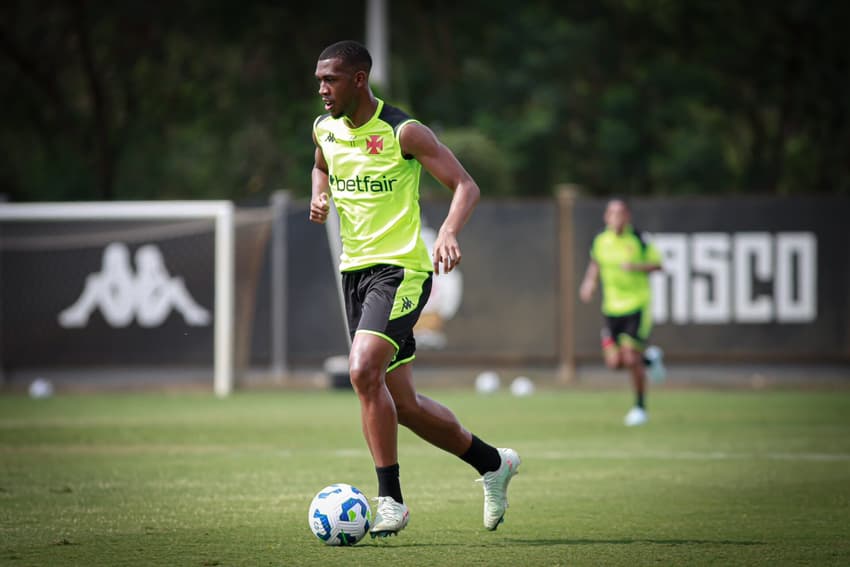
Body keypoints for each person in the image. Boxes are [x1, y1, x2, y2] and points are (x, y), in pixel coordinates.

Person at [308, 40, 520, 537]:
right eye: (319, 79)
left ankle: (391, 502)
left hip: (401, 270)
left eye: (331, 79)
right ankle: (493, 463)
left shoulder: (404, 131)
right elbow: (321, 166)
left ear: (359, 79)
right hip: (354, 274)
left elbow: (466, 185)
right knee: (403, 406)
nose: (321, 89)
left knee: (362, 371)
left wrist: (447, 231)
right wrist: (319, 197)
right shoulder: (324, 129)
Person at [579, 198, 666, 427]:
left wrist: (635, 266)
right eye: (612, 213)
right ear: (606, 217)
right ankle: (649, 360)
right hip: (612, 308)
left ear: (627, 216)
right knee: (615, 363)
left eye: (620, 213)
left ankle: (640, 408)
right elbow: (595, 263)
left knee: (629, 357)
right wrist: (589, 283)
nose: (616, 217)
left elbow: (658, 265)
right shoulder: (601, 241)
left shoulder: (639, 239)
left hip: (636, 305)